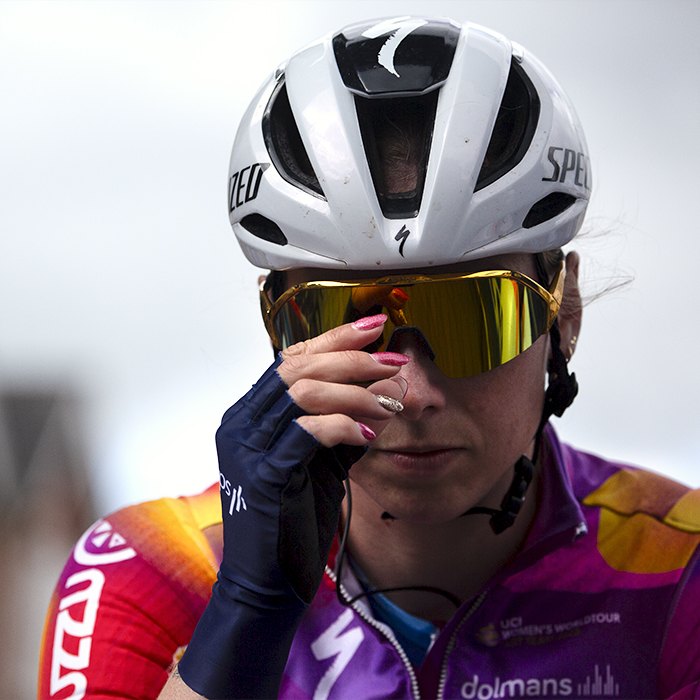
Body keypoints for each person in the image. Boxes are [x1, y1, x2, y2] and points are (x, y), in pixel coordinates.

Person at [39, 17, 700, 700]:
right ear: (282, 332)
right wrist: (244, 622)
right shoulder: (150, 569)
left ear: (564, 320)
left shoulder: (682, 569)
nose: (409, 393)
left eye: (475, 319)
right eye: (354, 323)